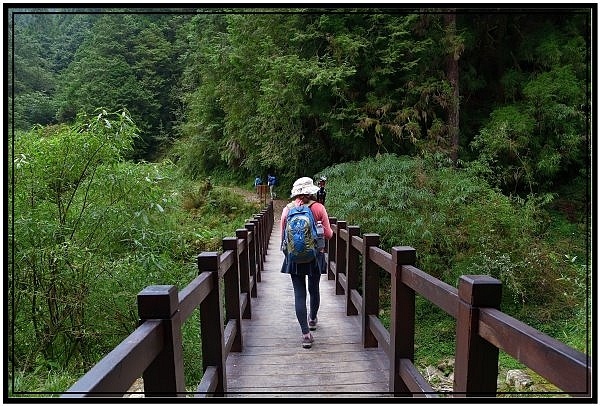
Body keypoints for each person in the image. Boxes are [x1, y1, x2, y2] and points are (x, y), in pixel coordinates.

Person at [280, 177, 333, 349]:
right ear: (310, 191)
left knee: (299, 294)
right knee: (314, 288)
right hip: (314, 256)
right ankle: (312, 319)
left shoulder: (287, 209)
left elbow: (283, 237)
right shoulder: (318, 208)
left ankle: (305, 334)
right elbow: (329, 234)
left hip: (294, 257)